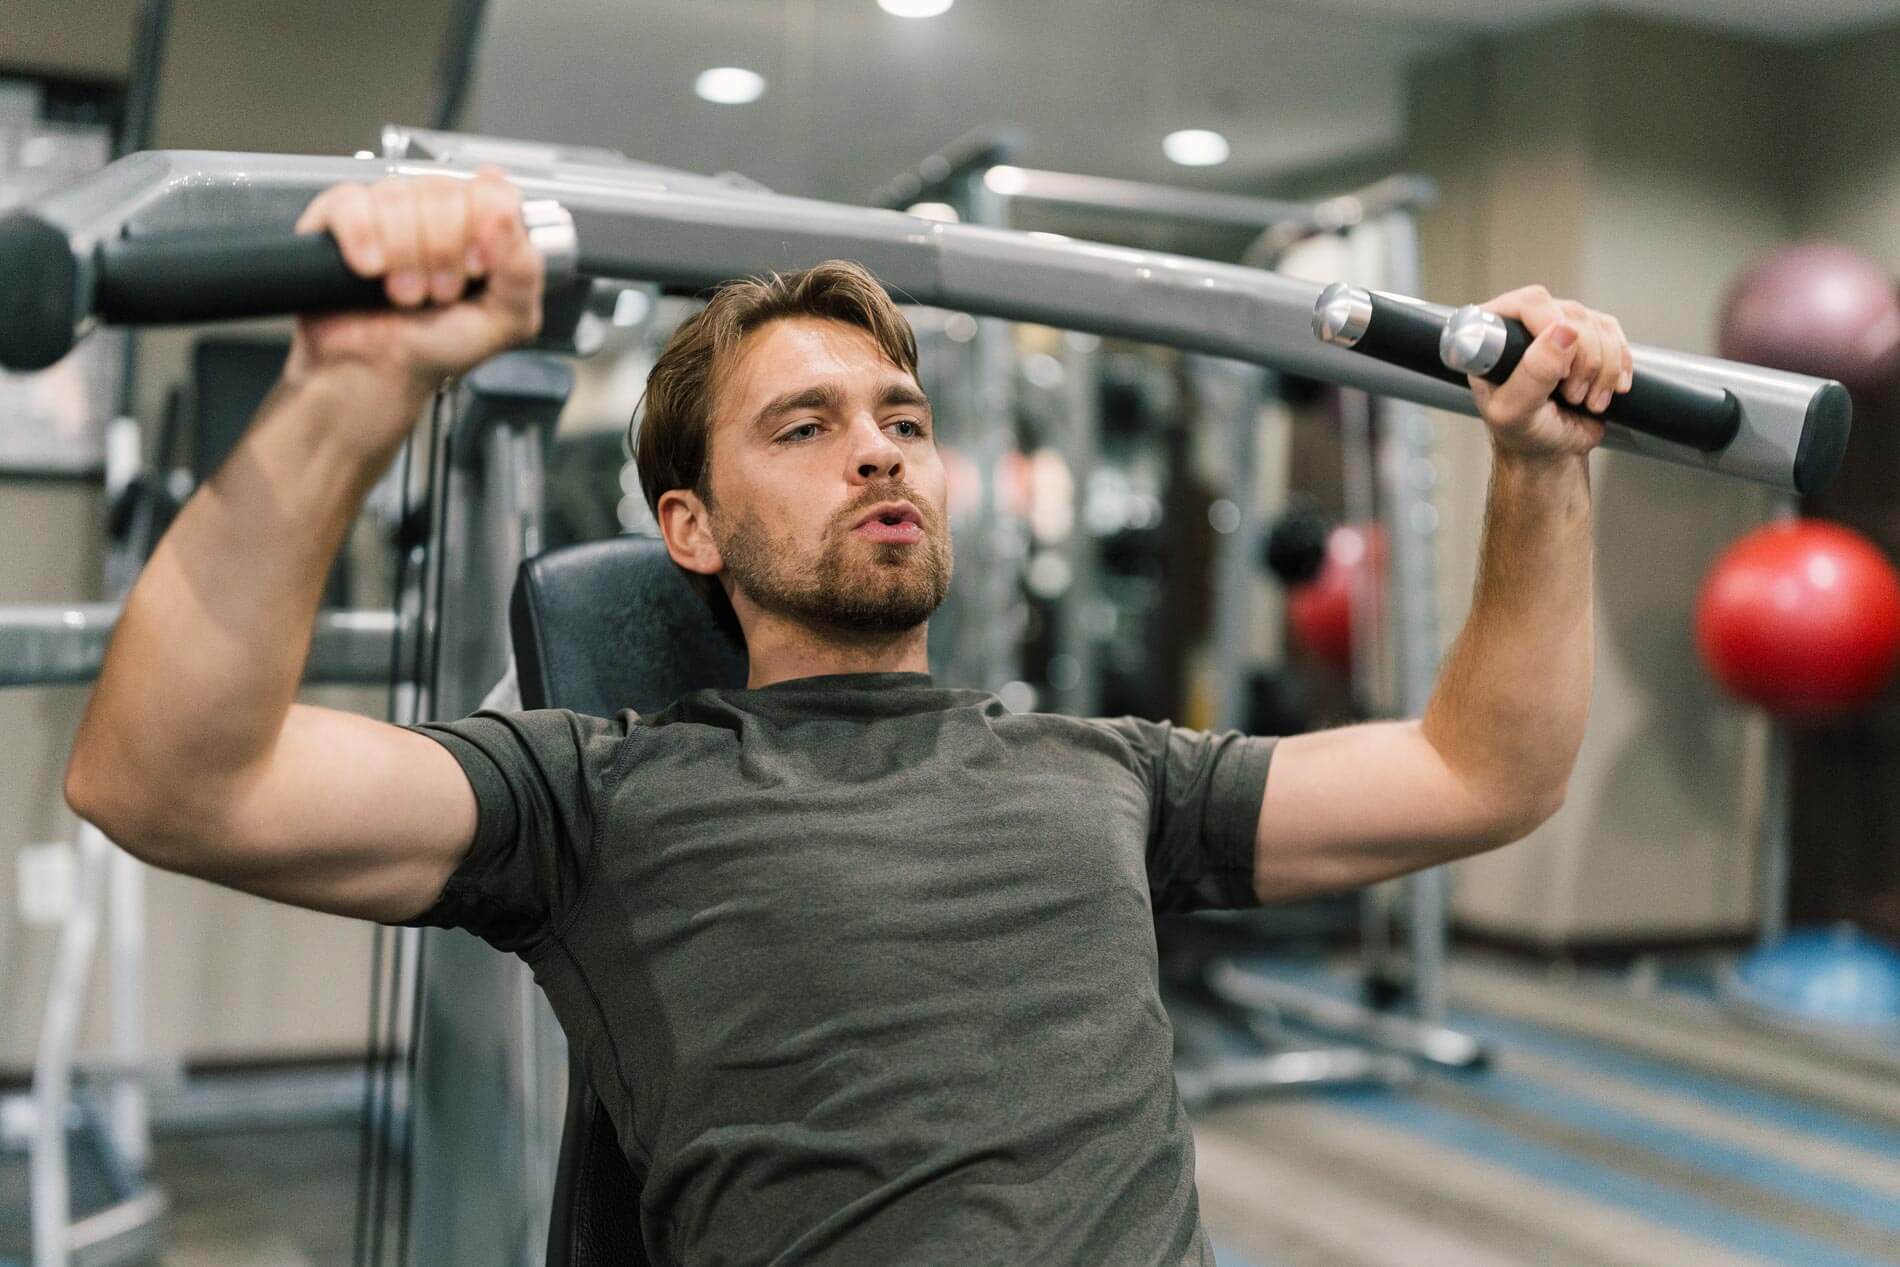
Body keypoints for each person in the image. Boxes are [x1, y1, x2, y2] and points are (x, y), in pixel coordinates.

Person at [64, 170, 1628, 1265]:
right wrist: (358, 384)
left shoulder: (1107, 772)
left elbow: (1480, 774)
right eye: (803, 428)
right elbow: (170, 783)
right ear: (689, 529)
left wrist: (1541, 468)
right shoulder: (600, 795)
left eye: (903, 421)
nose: (878, 454)